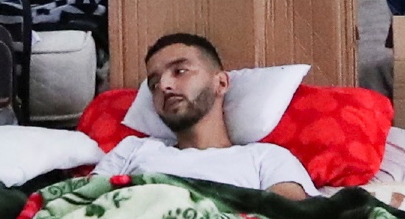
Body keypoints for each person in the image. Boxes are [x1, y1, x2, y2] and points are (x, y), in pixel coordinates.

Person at [97, 31, 312, 196]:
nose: (164, 85)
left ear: (220, 83)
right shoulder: (133, 150)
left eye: (180, 71)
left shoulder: (266, 158)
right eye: (153, 84)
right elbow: (78, 204)